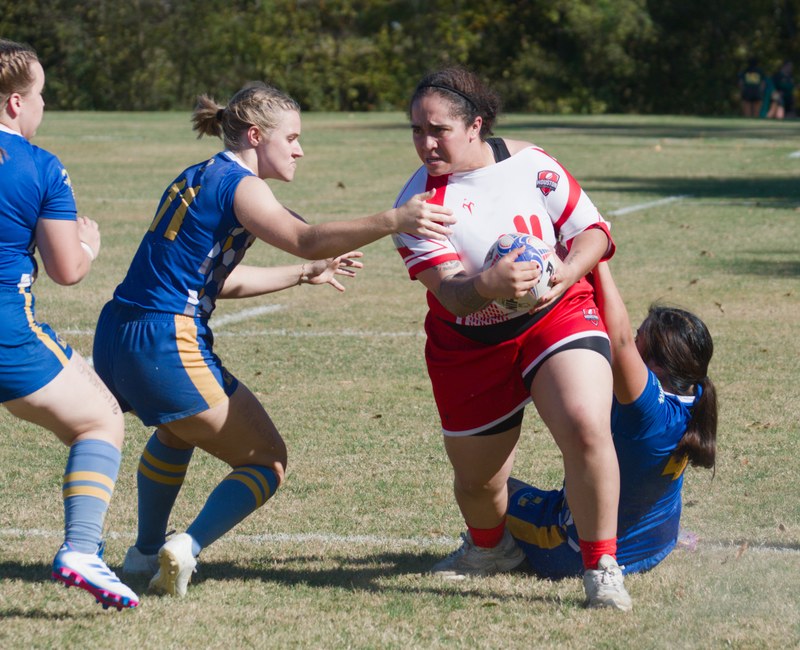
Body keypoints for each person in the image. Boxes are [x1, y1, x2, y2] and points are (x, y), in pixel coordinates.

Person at [92, 81, 455, 598]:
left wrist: (301, 274)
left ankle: (145, 551)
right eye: (293, 138)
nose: (300, 149)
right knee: (267, 460)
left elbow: (217, 281)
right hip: (165, 339)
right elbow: (304, 236)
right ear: (257, 135)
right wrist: (395, 219)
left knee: (177, 431)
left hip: (118, 332)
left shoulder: (197, 177)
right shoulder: (242, 185)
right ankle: (185, 547)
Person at [392, 67, 631, 610]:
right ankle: (490, 548)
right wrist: (490, 284)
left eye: (438, 130)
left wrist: (565, 276)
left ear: (475, 125)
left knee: (586, 426)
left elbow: (593, 232)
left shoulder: (531, 164)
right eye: (415, 130)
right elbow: (453, 296)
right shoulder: (419, 205)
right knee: (478, 485)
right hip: (470, 346)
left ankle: (602, 567)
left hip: (557, 316)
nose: (425, 143)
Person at [0, 39, 138, 610]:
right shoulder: (40, 166)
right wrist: (89, 241)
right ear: (13, 104)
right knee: (100, 420)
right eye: (40, 97)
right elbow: (68, 271)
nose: (42, 108)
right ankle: (82, 549)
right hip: (6, 334)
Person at [507, 261, 718, 579]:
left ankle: (492, 553)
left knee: (490, 489)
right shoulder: (697, 392)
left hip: (577, 553)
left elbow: (617, 342)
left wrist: (597, 260)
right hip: (657, 543)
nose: (631, 341)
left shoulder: (648, 411)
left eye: (639, 338)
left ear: (657, 368)